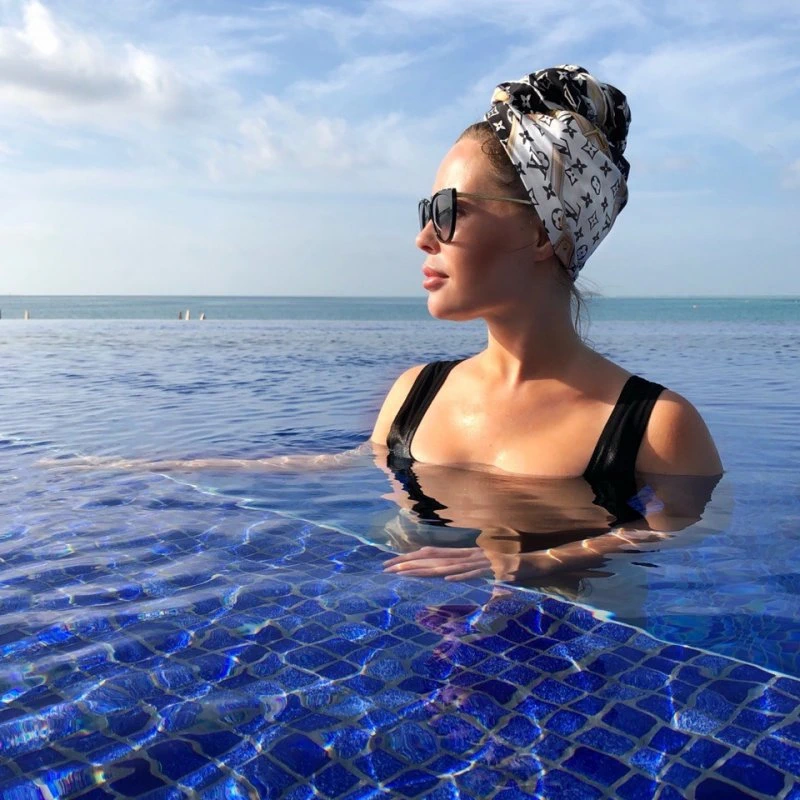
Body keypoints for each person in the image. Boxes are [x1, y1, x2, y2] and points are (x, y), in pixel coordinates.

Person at [42, 66, 722, 584]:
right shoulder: (416, 394)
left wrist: (540, 560)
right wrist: (140, 468)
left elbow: (687, 534)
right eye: (426, 211)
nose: (425, 237)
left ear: (545, 234)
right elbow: (331, 468)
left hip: (574, 683)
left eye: (449, 210)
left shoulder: (656, 426)